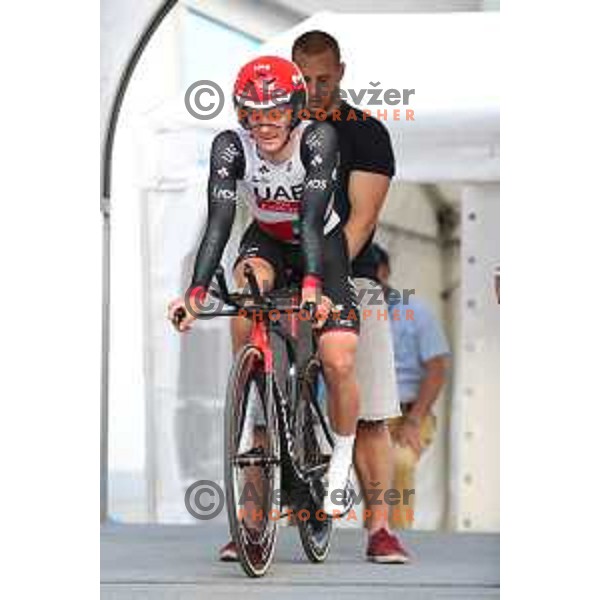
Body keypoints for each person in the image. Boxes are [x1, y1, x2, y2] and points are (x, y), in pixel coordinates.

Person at [167, 56, 361, 555]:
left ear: (296, 108)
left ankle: (341, 453)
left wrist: (314, 285)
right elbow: (219, 223)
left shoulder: (318, 139)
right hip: (269, 240)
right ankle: (258, 389)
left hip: (322, 243)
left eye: (275, 112)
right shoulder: (230, 146)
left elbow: (313, 221)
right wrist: (194, 293)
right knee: (246, 287)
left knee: (339, 356)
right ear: (241, 115)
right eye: (254, 114)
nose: (265, 124)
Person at [291, 31, 409, 563]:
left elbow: (360, 222)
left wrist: (323, 278)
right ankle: (248, 526)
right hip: (287, 278)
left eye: (323, 78)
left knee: (373, 412)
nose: (313, 89)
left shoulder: (367, 134)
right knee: (262, 410)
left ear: (341, 70)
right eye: (303, 80)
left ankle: (380, 528)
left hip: (351, 276)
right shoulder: (277, 127)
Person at [372, 244, 451, 529]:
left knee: (400, 462)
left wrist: (415, 420)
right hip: (368, 413)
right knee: (369, 474)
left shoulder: (416, 311)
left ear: (385, 272)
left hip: (410, 412)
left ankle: (398, 533)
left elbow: (437, 368)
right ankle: (376, 533)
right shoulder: (353, 311)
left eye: (373, 273)